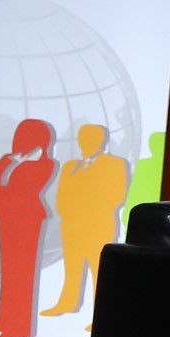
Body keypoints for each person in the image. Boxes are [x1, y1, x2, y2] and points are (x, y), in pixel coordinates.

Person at [40, 122, 132, 318]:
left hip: (98, 226)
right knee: (72, 267)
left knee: (99, 270)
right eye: (82, 138)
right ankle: (67, 303)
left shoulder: (115, 164)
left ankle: (100, 315)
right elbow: (62, 196)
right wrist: (70, 213)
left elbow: (117, 196)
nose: (85, 143)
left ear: (102, 141)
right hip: (72, 226)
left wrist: (87, 210)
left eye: (90, 138)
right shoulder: (70, 166)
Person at [0, 119, 54, 337]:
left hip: (28, 221)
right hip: (7, 219)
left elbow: (21, 191)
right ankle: (5, 321)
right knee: (9, 270)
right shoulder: (8, 159)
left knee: (22, 273)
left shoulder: (46, 163)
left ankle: (18, 327)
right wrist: (6, 165)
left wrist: (1, 189)